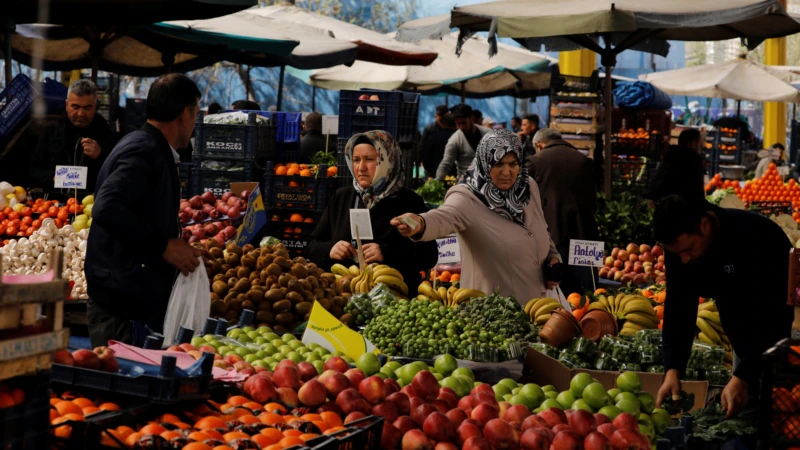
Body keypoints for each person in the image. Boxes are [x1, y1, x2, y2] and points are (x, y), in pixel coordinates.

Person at [85, 74, 204, 347]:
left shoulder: (148, 146)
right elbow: (106, 207)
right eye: (196, 112)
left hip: (126, 296)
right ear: (185, 114)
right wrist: (163, 245)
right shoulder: (144, 150)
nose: (195, 122)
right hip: (120, 308)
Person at [653, 195, 792, 418]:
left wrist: (744, 375)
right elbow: (679, 308)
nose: (684, 260)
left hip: (777, 344)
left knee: (775, 417)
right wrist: (672, 369)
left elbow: (775, 318)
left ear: (704, 225)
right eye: (677, 253)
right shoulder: (679, 251)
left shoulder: (758, 238)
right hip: (741, 341)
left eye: (688, 249)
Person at [392, 129, 562, 305]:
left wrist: (553, 258)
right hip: (493, 316)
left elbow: (540, 228)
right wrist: (420, 223)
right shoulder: (467, 197)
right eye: (498, 164)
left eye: (513, 164)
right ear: (484, 162)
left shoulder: (527, 187)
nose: (507, 172)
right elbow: (445, 215)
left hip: (538, 308)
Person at [308, 130, 437, 296]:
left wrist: (386, 253)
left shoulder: (409, 202)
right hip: (341, 298)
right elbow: (312, 244)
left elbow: (429, 255)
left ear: (388, 160)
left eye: (369, 159)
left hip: (394, 302)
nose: (361, 168)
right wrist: (330, 248)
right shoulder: (342, 197)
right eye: (356, 160)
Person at [527, 129, 598, 296]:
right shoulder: (585, 160)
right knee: (587, 295)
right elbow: (593, 201)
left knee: (553, 293)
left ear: (539, 145)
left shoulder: (535, 162)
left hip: (551, 234)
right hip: (585, 235)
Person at [30, 79, 113, 200]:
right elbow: (34, 171)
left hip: (92, 202)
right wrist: (54, 177)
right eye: (75, 107)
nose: (80, 113)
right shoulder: (52, 129)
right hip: (55, 204)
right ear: (66, 105)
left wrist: (101, 156)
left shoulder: (104, 131)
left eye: (87, 108)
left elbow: (116, 173)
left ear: (95, 107)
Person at [647, 128, 706, 201]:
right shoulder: (694, 159)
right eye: (699, 142)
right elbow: (697, 187)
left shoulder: (671, 154)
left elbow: (658, 180)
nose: (701, 145)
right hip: (681, 203)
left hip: (661, 199)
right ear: (693, 143)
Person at [435, 104, 490, 181]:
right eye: (458, 124)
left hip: (488, 183)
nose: (461, 127)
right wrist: (437, 180)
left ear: (472, 119)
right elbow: (446, 164)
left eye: (464, 123)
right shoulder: (454, 140)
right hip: (465, 185)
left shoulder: (488, 134)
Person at [421, 114, 456, 178]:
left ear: (442, 124)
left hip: (434, 174)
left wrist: (431, 171)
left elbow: (426, 157)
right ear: (455, 124)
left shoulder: (433, 137)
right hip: (454, 176)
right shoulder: (458, 138)